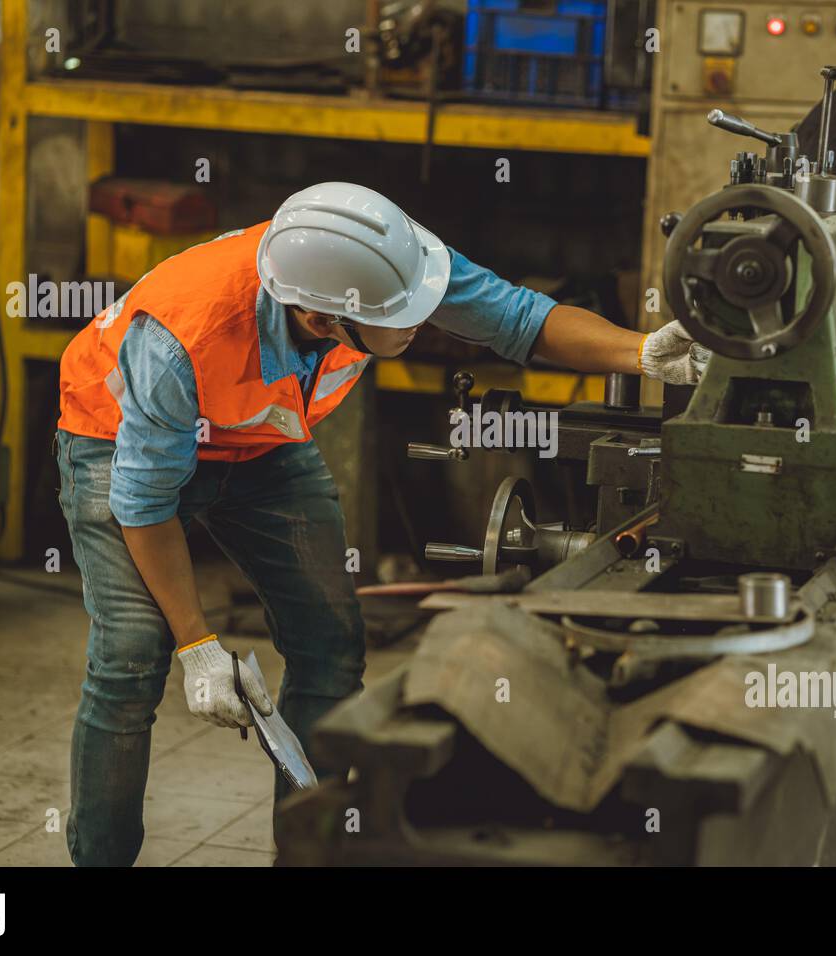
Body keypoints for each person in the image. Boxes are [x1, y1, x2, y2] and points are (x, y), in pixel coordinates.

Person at [54, 181, 708, 865]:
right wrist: (197, 647)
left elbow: (519, 319)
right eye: (405, 319)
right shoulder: (183, 339)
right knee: (131, 657)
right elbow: (144, 503)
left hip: (258, 444)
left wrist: (639, 353)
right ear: (319, 320)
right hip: (116, 438)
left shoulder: (387, 266)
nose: (425, 321)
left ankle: (306, 855)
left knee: (330, 647)